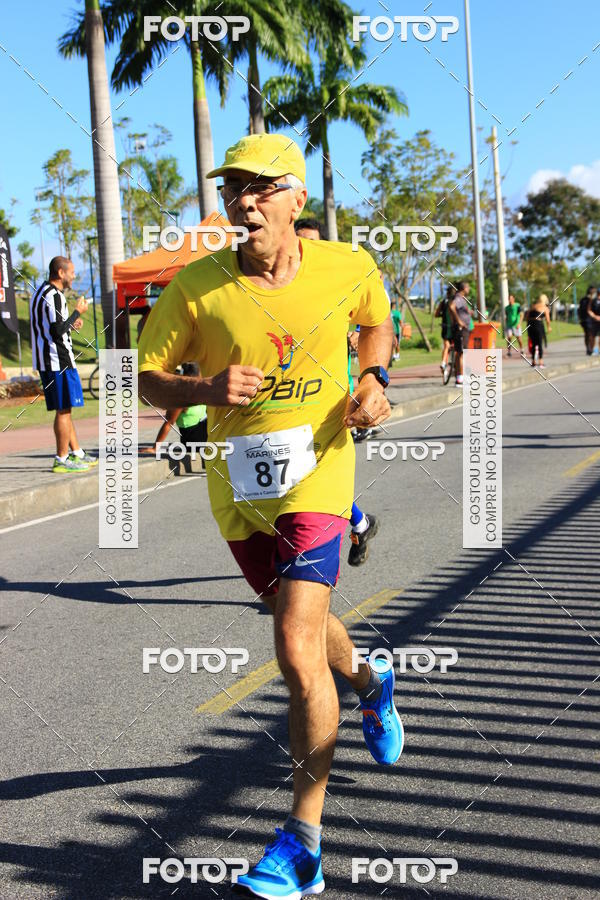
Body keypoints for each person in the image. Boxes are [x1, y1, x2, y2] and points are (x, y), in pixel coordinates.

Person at [139, 133, 402, 900]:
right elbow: (148, 383)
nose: (242, 201)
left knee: (291, 646)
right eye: (231, 190)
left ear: (296, 199)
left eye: (259, 187)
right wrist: (206, 390)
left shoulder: (345, 265)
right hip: (240, 488)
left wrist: (376, 377)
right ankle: (371, 680)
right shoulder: (195, 288)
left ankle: (305, 843)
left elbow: (374, 322)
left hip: (320, 476)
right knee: (308, 628)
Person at [295, 219, 381, 567]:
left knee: (317, 475)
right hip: (286, 400)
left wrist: (358, 337)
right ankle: (360, 522)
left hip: (332, 401)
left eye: (313, 242)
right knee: (298, 474)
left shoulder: (335, 280)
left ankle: (305, 571)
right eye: (300, 241)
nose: (306, 249)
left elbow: (373, 318)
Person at [30, 257, 97, 473]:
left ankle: (76, 452)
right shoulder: (55, 296)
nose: (74, 276)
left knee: (65, 407)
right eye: (72, 272)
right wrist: (78, 312)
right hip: (58, 360)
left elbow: (55, 327)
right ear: (61, 273)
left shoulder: (40, 292)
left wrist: (71, 323)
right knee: (63, 410)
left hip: (47, 359)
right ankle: (61, 458)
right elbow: (56, 331)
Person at [448, 280, 472, 386]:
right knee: (460, 353)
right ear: (464, 288)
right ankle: (460, 378)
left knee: (461, 352)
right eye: (468, 287)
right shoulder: (458, 298)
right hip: (460, 330)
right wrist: (459, 321)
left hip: (463, 329)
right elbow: (451, 307)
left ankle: (461, 376)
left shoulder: (462, 299)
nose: (469, 289)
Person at [524, 294, 551, 367]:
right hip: (538, 325)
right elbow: (548, 320)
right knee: (539, 343)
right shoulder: (545, 308)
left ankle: (533, 361)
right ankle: (541, 361)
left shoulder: (533, 306)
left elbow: (527, 316)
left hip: (530, 325)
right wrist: (549, 327)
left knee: (533, 343)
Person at [435, 284, 455, 372]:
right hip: (454, 327)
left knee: (446, 346)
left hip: (446, 327)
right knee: (453, 346)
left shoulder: (443, 302)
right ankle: (445, 363)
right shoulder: (457, 301)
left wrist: (442, 314)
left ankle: (443, 363)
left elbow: (436, 314)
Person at [586, 286, 600, 356]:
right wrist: (595, 316)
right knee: (592, 336)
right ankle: (593, 350)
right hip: (594, 321)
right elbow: (589, 310)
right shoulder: (593, 300)